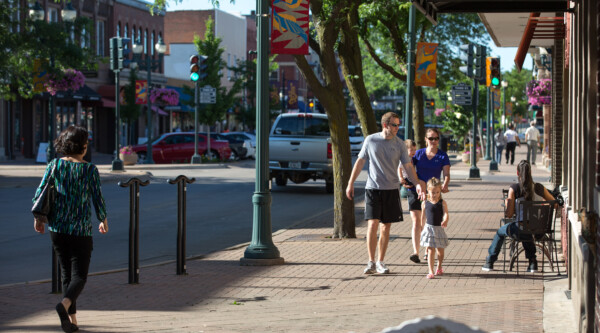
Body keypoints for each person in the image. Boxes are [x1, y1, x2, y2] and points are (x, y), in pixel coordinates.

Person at [32, 125, 108, 333]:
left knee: (67, 275)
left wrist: (39, 218)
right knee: (79, 276)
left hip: (57, 228)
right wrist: (102, 218)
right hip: (81, 229)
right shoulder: (89, 169)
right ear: (83, 147)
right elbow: (97, 197)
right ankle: (64, 306)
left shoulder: (55, 165)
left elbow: (40, 192)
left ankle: (72, 322)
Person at [346, 112, 425, 275]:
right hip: (373, 188)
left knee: (385, 227)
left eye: (398, 124)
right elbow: (360, 161)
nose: (397, 128)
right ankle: (371, 262)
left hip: (391, 189)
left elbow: (408, 167)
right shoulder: (371, 140)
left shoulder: (400, 144)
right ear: (385, 125)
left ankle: (381, 261)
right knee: (372, 224)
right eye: (394, 125)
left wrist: (417, 184)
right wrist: (350, 183)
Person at [482, 160, 556, 272]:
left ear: (517, 173)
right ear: (530, 172)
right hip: (539, 230)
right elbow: (554, 203)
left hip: (520, 230)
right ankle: (532, 262)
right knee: (528, 229)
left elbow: (509, 214)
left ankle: (490, 261)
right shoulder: (540, 188)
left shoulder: (514, 189)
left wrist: (507, 203)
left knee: (501, 232)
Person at [407, 128, 450, 263]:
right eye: (431, 138)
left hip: (433, 194)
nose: (434, 141)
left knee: (428, 222)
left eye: (436, 138)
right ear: (425, 139)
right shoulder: (418, 154)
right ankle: (416, 252)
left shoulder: (442, 156)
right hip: (416, 190)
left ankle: (428, 248)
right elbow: (407, 167)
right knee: (416, 221)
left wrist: (445, 184)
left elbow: (446, 174)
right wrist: (406, 180)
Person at [420, 178, 449, 279]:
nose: (435, 194)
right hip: (429, 229)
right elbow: (423, 217)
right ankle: (430, 271)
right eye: (433, 192)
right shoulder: (425, 203)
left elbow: (446, 213)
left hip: (438, 229)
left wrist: (445, 220)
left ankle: (439, 266)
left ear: (440, 191)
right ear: (428, 190)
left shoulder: (442, 203)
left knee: (440, 251)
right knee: (430, 250)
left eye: (437, 192)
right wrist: (421, 227)